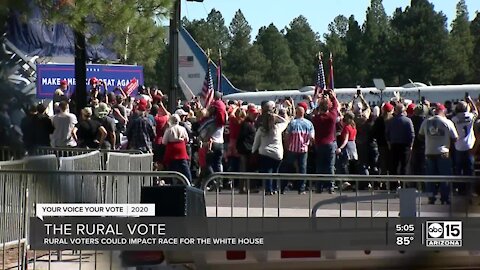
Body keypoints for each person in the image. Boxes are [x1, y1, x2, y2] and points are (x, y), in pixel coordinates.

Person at [419, 103, 459, 205]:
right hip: (443, 152)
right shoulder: (447, 122)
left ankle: (431, 198)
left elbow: (420, 136)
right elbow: (455, 138)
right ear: (443, 111)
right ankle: (445, 198)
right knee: (444, 177)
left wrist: (430, 140)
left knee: (430, 177)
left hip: (429, 152)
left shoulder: (426, 121)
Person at [252, 101, 289, 195]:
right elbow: (285, 121)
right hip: (277, 153)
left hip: (265, 152)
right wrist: (275, 115)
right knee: (275, 172)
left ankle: (268, 189)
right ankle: (274, 188)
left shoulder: (261, 130)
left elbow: (256, 142)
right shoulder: (277, 128)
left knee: (267, 171)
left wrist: (253, 151)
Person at [283, 102, 314, 194]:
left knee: (288, 168)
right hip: (303, 149)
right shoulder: (309, 124)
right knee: (302, 169)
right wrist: (310, 144)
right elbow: (312, 137)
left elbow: (287, 136)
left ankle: (283, 187)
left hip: (292, 148)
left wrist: (286, 146)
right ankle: (301, 188)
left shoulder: (292, 123)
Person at [312, 90, 338, 194]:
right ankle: (330, 186)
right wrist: (333, 97)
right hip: (330, 143)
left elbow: (313, 112)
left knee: (320, 166)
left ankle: (319, 187)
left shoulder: (316, 119)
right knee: (330, 166)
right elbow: (336, 107)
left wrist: (317, 100)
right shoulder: (332, 117)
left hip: (319, 144)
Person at [451, 97, 478, 194]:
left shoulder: (454, 119)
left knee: (458, 169)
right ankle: (469, 190)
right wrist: (470, 101)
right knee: (469, 170)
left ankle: (460, 189)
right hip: (469, 146)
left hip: (458, 146)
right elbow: (476, 111)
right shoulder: (470, 117)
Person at [385, 103, 415, 189]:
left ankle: (393, 186)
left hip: (394, 145)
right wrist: (411, 145)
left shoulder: (391, 121)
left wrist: (389, 144)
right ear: (404, 110)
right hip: (405, 146)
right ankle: (403, 185)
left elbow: (387, 134)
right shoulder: (408, 121)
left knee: (393, 166)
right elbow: (412, 134)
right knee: (404, 166)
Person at [163, 114, 192, 182]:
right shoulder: (182, 128)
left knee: (172, 167)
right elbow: (187, 139)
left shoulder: (169, 130)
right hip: (182, 149)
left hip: (172, 150)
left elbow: (164, 142)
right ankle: (188, 181)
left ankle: (172, 182)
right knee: (185, 167)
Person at [237, 106, 259, 193]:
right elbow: (242, 137)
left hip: (251, 150)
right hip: (245, 149)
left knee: (250, 168)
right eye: (254, 114)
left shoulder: (252, 124)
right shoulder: (245, 124)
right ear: (249, 114)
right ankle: (242, 188)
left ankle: (250, 187)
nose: (255, 116)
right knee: (244, 169)